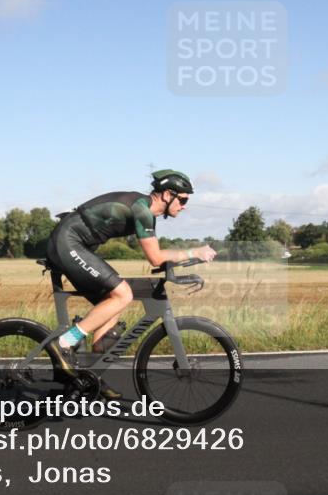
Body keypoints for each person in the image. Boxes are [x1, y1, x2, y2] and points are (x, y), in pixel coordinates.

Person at [44, 169, 216, 399]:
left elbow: (158, 254)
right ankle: (64, 343)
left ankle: (90, 376)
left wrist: (184, 259)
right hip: (68, 242)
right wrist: (194, 251)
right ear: (167, 195)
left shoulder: (146, 212)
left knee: (112, 304)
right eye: (183, 199)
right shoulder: (142, 210)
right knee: (123, 294)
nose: (184, 205)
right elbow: (155, 257)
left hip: (78, 245)